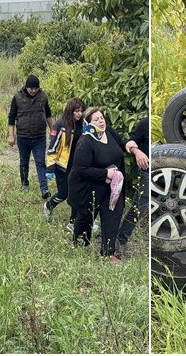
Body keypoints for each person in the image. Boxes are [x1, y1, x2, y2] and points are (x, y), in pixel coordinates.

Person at [68, 107, 130, 263]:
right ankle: (79, 246)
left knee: (113, 217)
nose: (101, 121)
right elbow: (80, 170)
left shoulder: (108, 132)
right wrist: (105, 174)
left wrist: (133, 147)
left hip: (113, 187)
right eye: (96, 119)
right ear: (88, 123)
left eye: (101, 118)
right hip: (91, 188)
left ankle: (108, 253)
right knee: (85, 219)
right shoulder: (86, 141)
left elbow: (122, 143)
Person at [8, 75, 54, 199]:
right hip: (23, 137)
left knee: (40, 162)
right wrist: (11, 135)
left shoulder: (43, 97)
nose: (33, 91)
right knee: (24, 162)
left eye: (36, 88)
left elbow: (48, 114)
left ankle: (44, 188)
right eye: (31, 88)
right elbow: (11, 117)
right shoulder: (17, 97)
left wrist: (52, 130)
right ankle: (24, 184)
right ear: (26, 87)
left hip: (39, 137)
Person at [44, 97, 86, 226]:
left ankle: (73, 222)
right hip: (62, 166)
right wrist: (50, 167)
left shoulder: (84, 124)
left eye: (81, 111)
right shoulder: (60, 125)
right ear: (70, 110)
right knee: (64, 193)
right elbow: (52, 147)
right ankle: (49, 205)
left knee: (76, 193)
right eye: (76, 111)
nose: (79, 114)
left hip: (78, 165)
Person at [117, 116, 150, 250]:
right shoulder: (144, 123)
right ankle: (120, 240)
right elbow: (130, 143)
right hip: (147, 170)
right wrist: (137, 152)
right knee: (138, 208)